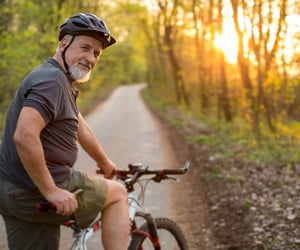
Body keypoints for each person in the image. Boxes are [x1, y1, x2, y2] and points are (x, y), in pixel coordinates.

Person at [0, 13, 129, 250]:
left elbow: (82, 127)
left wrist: (105, 162)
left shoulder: (56, 79)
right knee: (118, 194)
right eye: (85, 47)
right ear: (63, 44)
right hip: (35, 190)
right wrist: (51, 191)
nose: (90, 58)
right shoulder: (52, 82)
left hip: (12, 191)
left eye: (96, 53)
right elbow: (24, 136)